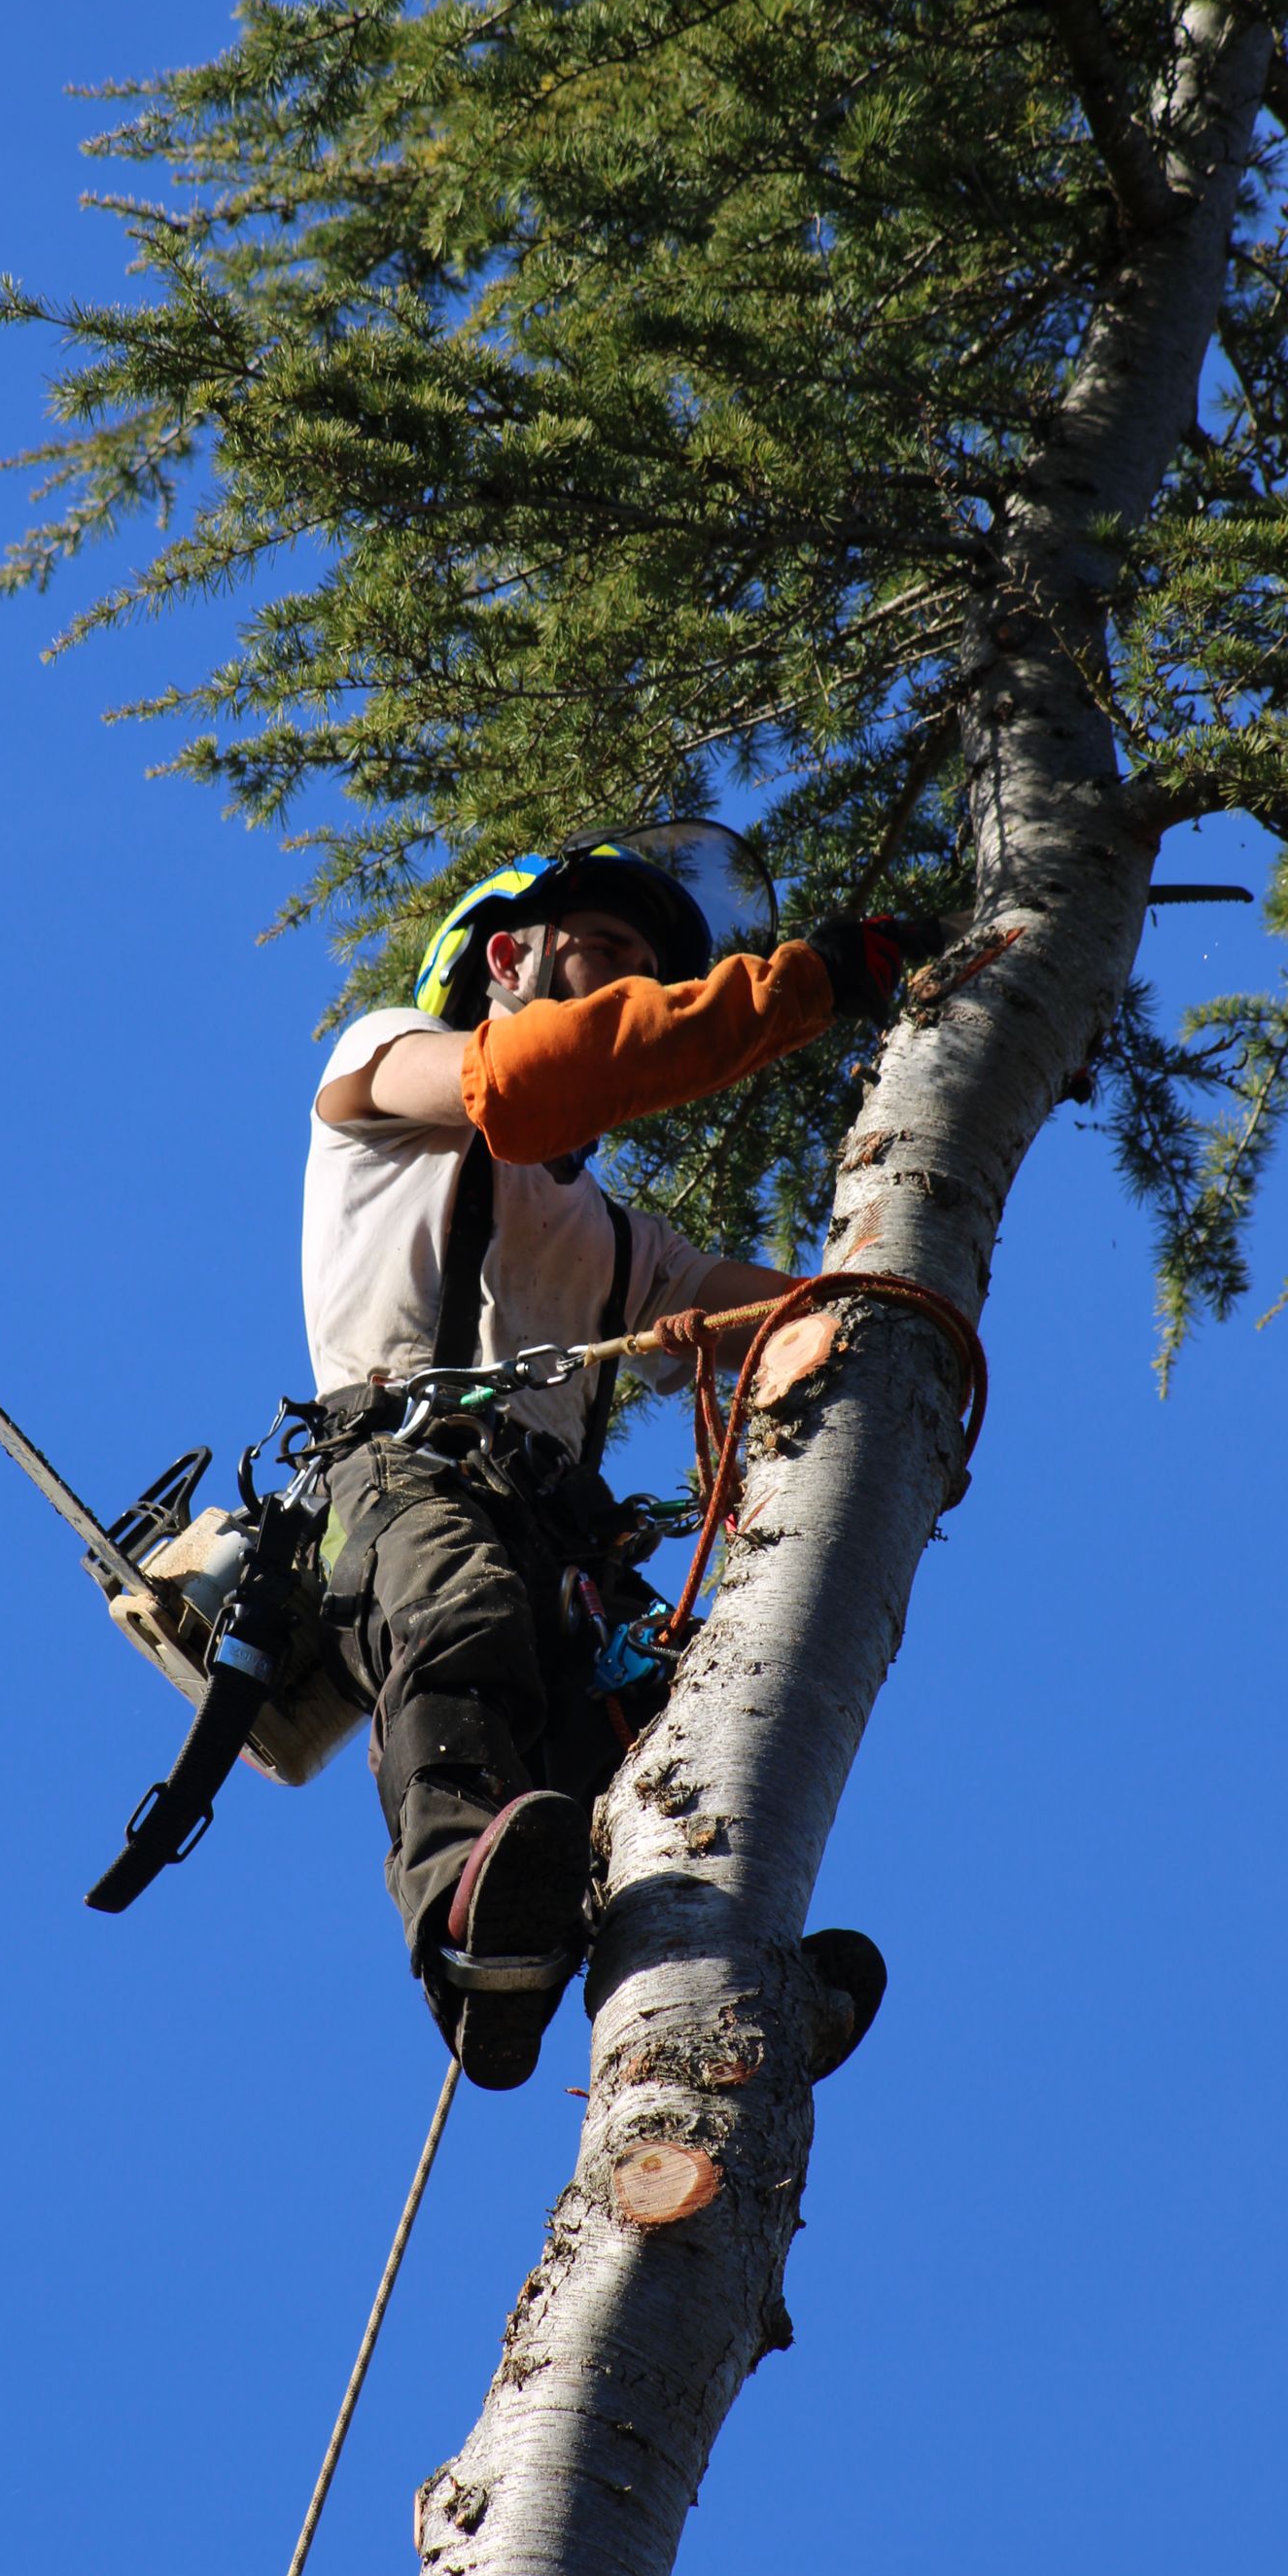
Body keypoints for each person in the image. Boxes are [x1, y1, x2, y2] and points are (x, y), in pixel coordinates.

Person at [300, 830, 937, 2087]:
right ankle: (470, 1932)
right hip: (407, 1473)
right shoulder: (388, 1068)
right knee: (464, 1617)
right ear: (506, 958)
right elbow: (527, 1083)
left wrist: (910, 1326)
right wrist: (805, 985)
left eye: (653, 969)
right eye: (604, 950)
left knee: (682, 1725)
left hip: (566, 1534)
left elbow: (783, 1313)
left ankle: (730, 1967)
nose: (636, 983)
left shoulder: (611, 1240)